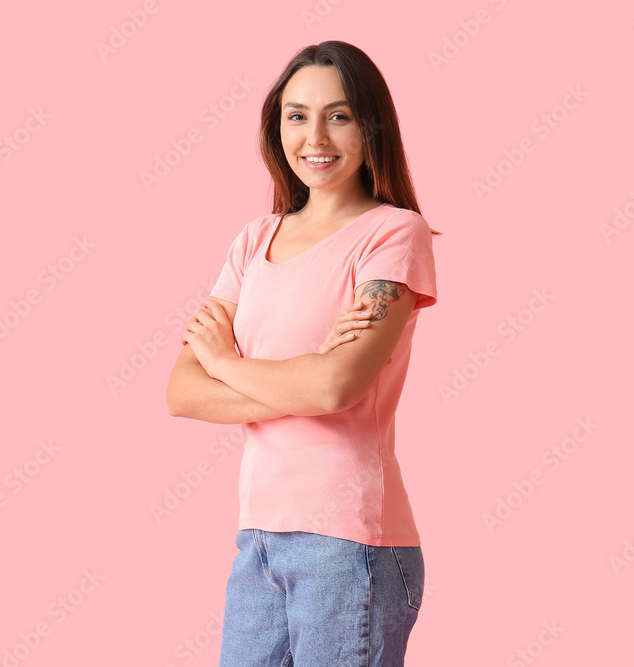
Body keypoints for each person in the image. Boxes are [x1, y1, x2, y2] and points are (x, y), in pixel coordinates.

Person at [166, 40, 440, 667]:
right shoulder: (254, 239)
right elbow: (181, 391)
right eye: (297, 115)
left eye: (338, 115)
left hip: (350, 544)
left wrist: (225, 362)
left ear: (371, 126)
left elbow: (333, 389)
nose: (315, 136)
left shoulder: (393, 234)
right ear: (276, 126)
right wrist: (298, 375)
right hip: (259, 538)